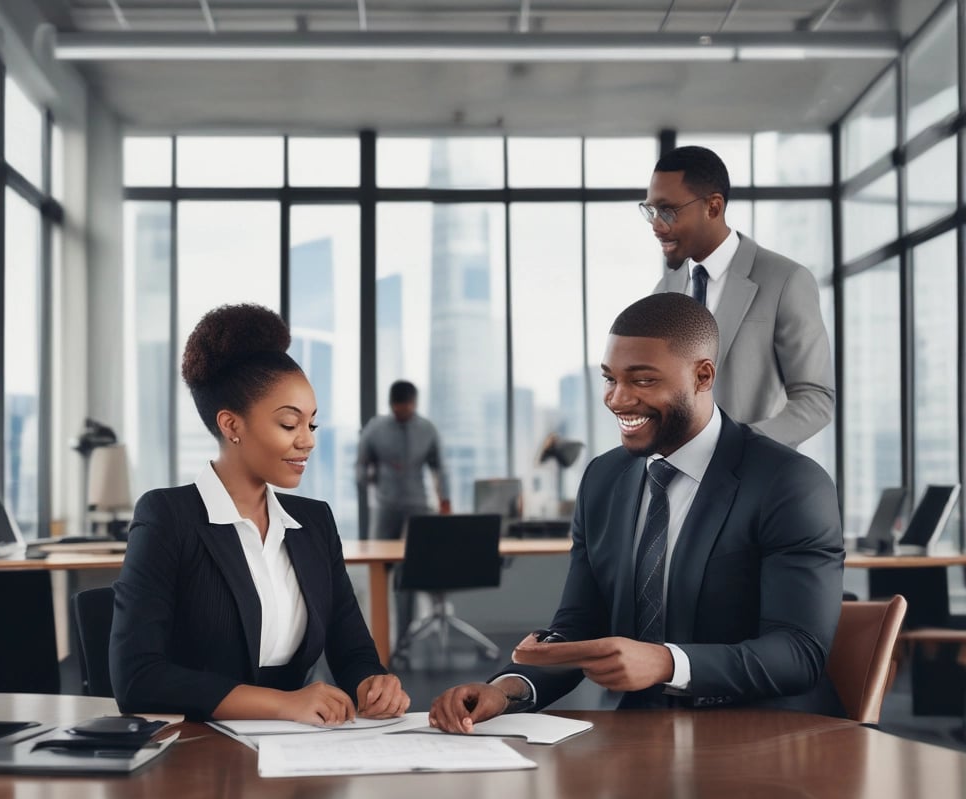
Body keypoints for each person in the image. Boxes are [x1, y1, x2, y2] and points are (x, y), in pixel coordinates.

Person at [428, 293, 844, 733]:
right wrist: (509, 689)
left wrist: (665, 662)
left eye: (643, 381)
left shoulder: (788, 482)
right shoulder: (603, 479)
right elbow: (579, 625)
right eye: (610, 379)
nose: (618, 399)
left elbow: (798, 652)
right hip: (642, 735)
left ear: (702, 376)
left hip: (767, 736)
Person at [110, 303, 410, 723]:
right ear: (232, 426)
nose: (306, 441)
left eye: (312, 425)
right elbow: (137, 678)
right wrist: (284, 703)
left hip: (291, 752)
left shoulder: (314, 522)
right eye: (289, 425)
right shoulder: (168, 517)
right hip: (196, 753)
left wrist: (372, 683)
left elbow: (353, 649)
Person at [644, 145, 833, 449]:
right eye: (651, 211)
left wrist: (741, 448)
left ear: (713, 208)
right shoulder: (664, 291)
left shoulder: (785, 280)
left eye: (668, 212)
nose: (656, 225)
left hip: (756, 482)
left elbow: (816, 399)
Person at [356, 380, 452, 641]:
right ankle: (376, 635)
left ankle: (410, 635)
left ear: (414, 403)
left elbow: (439, 468)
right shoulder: (375, 429)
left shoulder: (427, 429)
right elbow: (361, 466)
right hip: (386, 507)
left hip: (418, 508)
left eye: (407, 407)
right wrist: (369, 477)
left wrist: (445, 501)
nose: (403, 412)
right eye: (398, 408)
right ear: (391, 405)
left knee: (414, 570)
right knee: (380, 569)